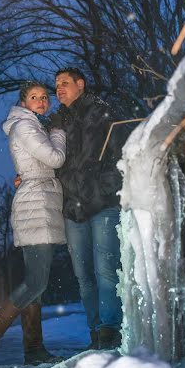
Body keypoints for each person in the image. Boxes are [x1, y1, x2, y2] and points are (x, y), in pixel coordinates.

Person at [0, 81, 66, 368]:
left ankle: (34, 349)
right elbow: (55, 157)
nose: (41, 101)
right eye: (34, 97)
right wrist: (59, 133)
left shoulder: (33, 126)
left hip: (39, 202)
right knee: (36, 281)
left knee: (36, 284)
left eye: (44, 97)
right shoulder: (26, 127)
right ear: (24, 103)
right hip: (35, 205)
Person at [52, 67, 123, 350]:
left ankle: (110, 328)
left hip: (103, 204)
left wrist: (106, 188)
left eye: (65, 83)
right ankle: (94, 330)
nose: (59, 88)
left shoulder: (101, 112)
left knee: (106, 268)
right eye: (56, 84)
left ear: (80, 84)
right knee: (83, 275)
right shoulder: (56, 121)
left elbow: (117, 153)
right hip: (72, 207)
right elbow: (46, 157)